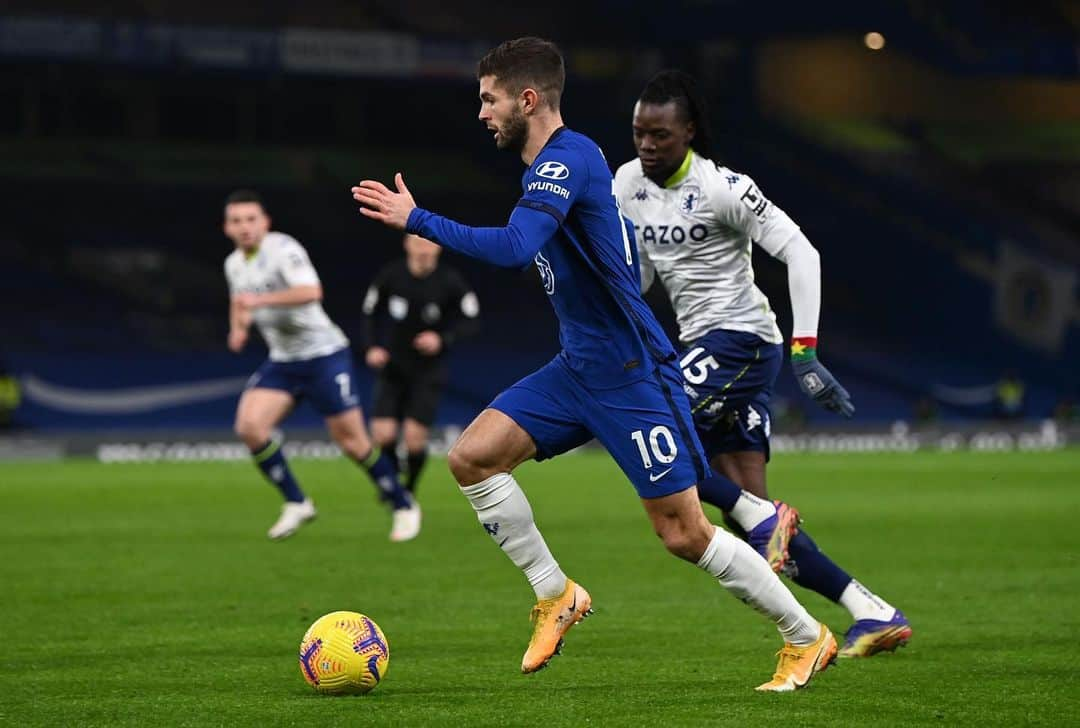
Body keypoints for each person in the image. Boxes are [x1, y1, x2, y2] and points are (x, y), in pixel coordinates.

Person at [353, 38, 836, 691]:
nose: (481, 113)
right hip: (578, 367)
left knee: (684, 532)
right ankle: (556, 595)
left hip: (633, 374)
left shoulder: (570, 157)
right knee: (472, 457)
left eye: (488, 99)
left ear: (528, 99)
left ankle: (807, 636)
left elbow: (515, 245)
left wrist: (419, 220)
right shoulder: (544, 169)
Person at [613, 70, 912, 658]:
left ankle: (757, 514)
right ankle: (870, 611)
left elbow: (801, 250)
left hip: (743, 340)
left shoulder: (724, 187)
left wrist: (806, 351)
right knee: (761, 537)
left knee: (654, 438)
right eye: (638, 133)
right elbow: (645, 272)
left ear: (689, 132)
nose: (646, 145)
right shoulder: (626, 185)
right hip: (697, 346)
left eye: (660, 135)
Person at [222, 190, 420, 542]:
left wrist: (260, 300)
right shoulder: (234, 264)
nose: (245, 227)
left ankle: (402, 503)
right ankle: (297, 502)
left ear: (265, 223)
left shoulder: (284, 250)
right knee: (250, 427)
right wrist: (238, 329)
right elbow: (240, 301)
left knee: (354, 444)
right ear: (227, 228)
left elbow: (311, 291)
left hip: (324, 356)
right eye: (236, 221)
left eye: (251, 219)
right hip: (284, 361)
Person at [362, 233, 480, 494]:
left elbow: (471, 320)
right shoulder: (391, 276)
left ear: (438, 247)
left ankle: (409, 489)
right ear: (407, 245)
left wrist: (442, 338)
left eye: (429, 243)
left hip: (428, 371)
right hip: (393, 367)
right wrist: (371, 347)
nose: (423, 250)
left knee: (415, 442)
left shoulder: (450, 281)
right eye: (418, 243)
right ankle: (392, 482)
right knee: (382, 435)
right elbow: (370, 312)